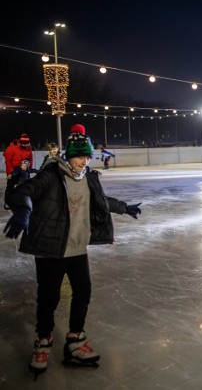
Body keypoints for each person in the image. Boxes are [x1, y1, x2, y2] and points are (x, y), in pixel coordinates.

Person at [2, 124, 142, 378]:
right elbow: (24, 192)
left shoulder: (88, 177)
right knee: (49, 299)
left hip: (77, 249)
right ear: (68, 155)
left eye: (87, 156)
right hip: (50, 250)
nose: (84, 161)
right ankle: (43, 341)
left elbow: (100, 201)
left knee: (83, 293)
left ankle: (75, 340)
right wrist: (23, 210)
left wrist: (124, 207)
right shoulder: (51, 175)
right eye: (79, 156)